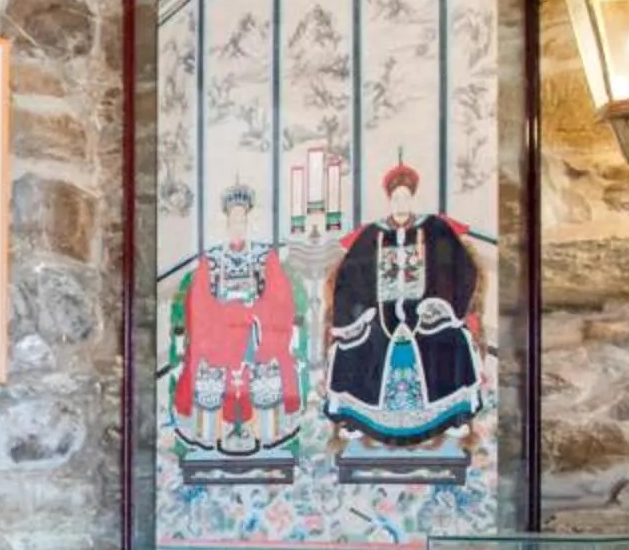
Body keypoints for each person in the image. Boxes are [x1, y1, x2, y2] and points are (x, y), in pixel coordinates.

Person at [325, 155, 482, 447]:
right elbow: (349, 277)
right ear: (389, 201)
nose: (400, 203)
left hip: (427, 312)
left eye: (405, 197)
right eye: (395, 198)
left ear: (412, 198)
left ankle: (451, 416)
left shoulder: (434, 229)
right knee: (357, 346)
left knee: (450, 339)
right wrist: (360, 313)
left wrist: (441, 305)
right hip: (377, 312)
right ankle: (358, 419)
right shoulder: (372, 235)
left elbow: (460, 269)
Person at [169, 183, 300, 455]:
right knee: (207, 367)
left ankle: (264, 432)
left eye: (242, 219)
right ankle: (213, 432)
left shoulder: (265, 257)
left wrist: (255, 315)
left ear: (248, 221)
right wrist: (222, 318)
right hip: (219, 331)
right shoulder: (213, 259)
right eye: (233, 219)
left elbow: (279, 296)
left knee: (268, 365)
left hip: (256, 329)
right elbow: (200, 299)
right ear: (226, 221)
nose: (238, 225)